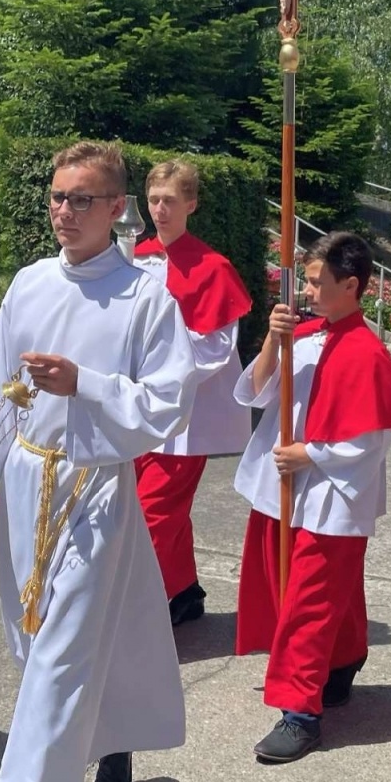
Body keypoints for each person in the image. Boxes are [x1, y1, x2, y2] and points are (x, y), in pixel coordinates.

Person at [0, 141, 197, 782]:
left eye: (80, 198)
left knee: (60, 659)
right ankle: (112, 736)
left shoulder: (147, 296)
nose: (63, 210)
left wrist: (87, 385)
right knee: (38, 648)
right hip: (25, 482)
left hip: (95, 490)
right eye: (56, 195)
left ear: (115, 209)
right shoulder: (30, 284)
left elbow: (169, 403)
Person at [232, 232, 391, 764]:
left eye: (317, 282)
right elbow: (254, 392)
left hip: (333, 492)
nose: (307, 291)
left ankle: (300, 714)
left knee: (310, 602)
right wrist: (272, 340)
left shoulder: (369, 352)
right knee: (315, 589)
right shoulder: (304, 337)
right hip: (283, 487)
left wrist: (311, 455)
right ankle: (341, 664)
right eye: (307, 281)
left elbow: (370, 438)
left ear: (351, 285)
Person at [131, 161, 254, 626]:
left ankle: (142, 614)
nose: (160, 209)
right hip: (137, 404)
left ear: (191, 205)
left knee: (152, 514)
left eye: (170, 201)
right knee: (163, 511)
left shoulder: (212, 267)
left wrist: (161, 375)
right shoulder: (131, 256)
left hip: (186, 414)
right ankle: (182, 591)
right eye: (154, 199)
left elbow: (216, 347)